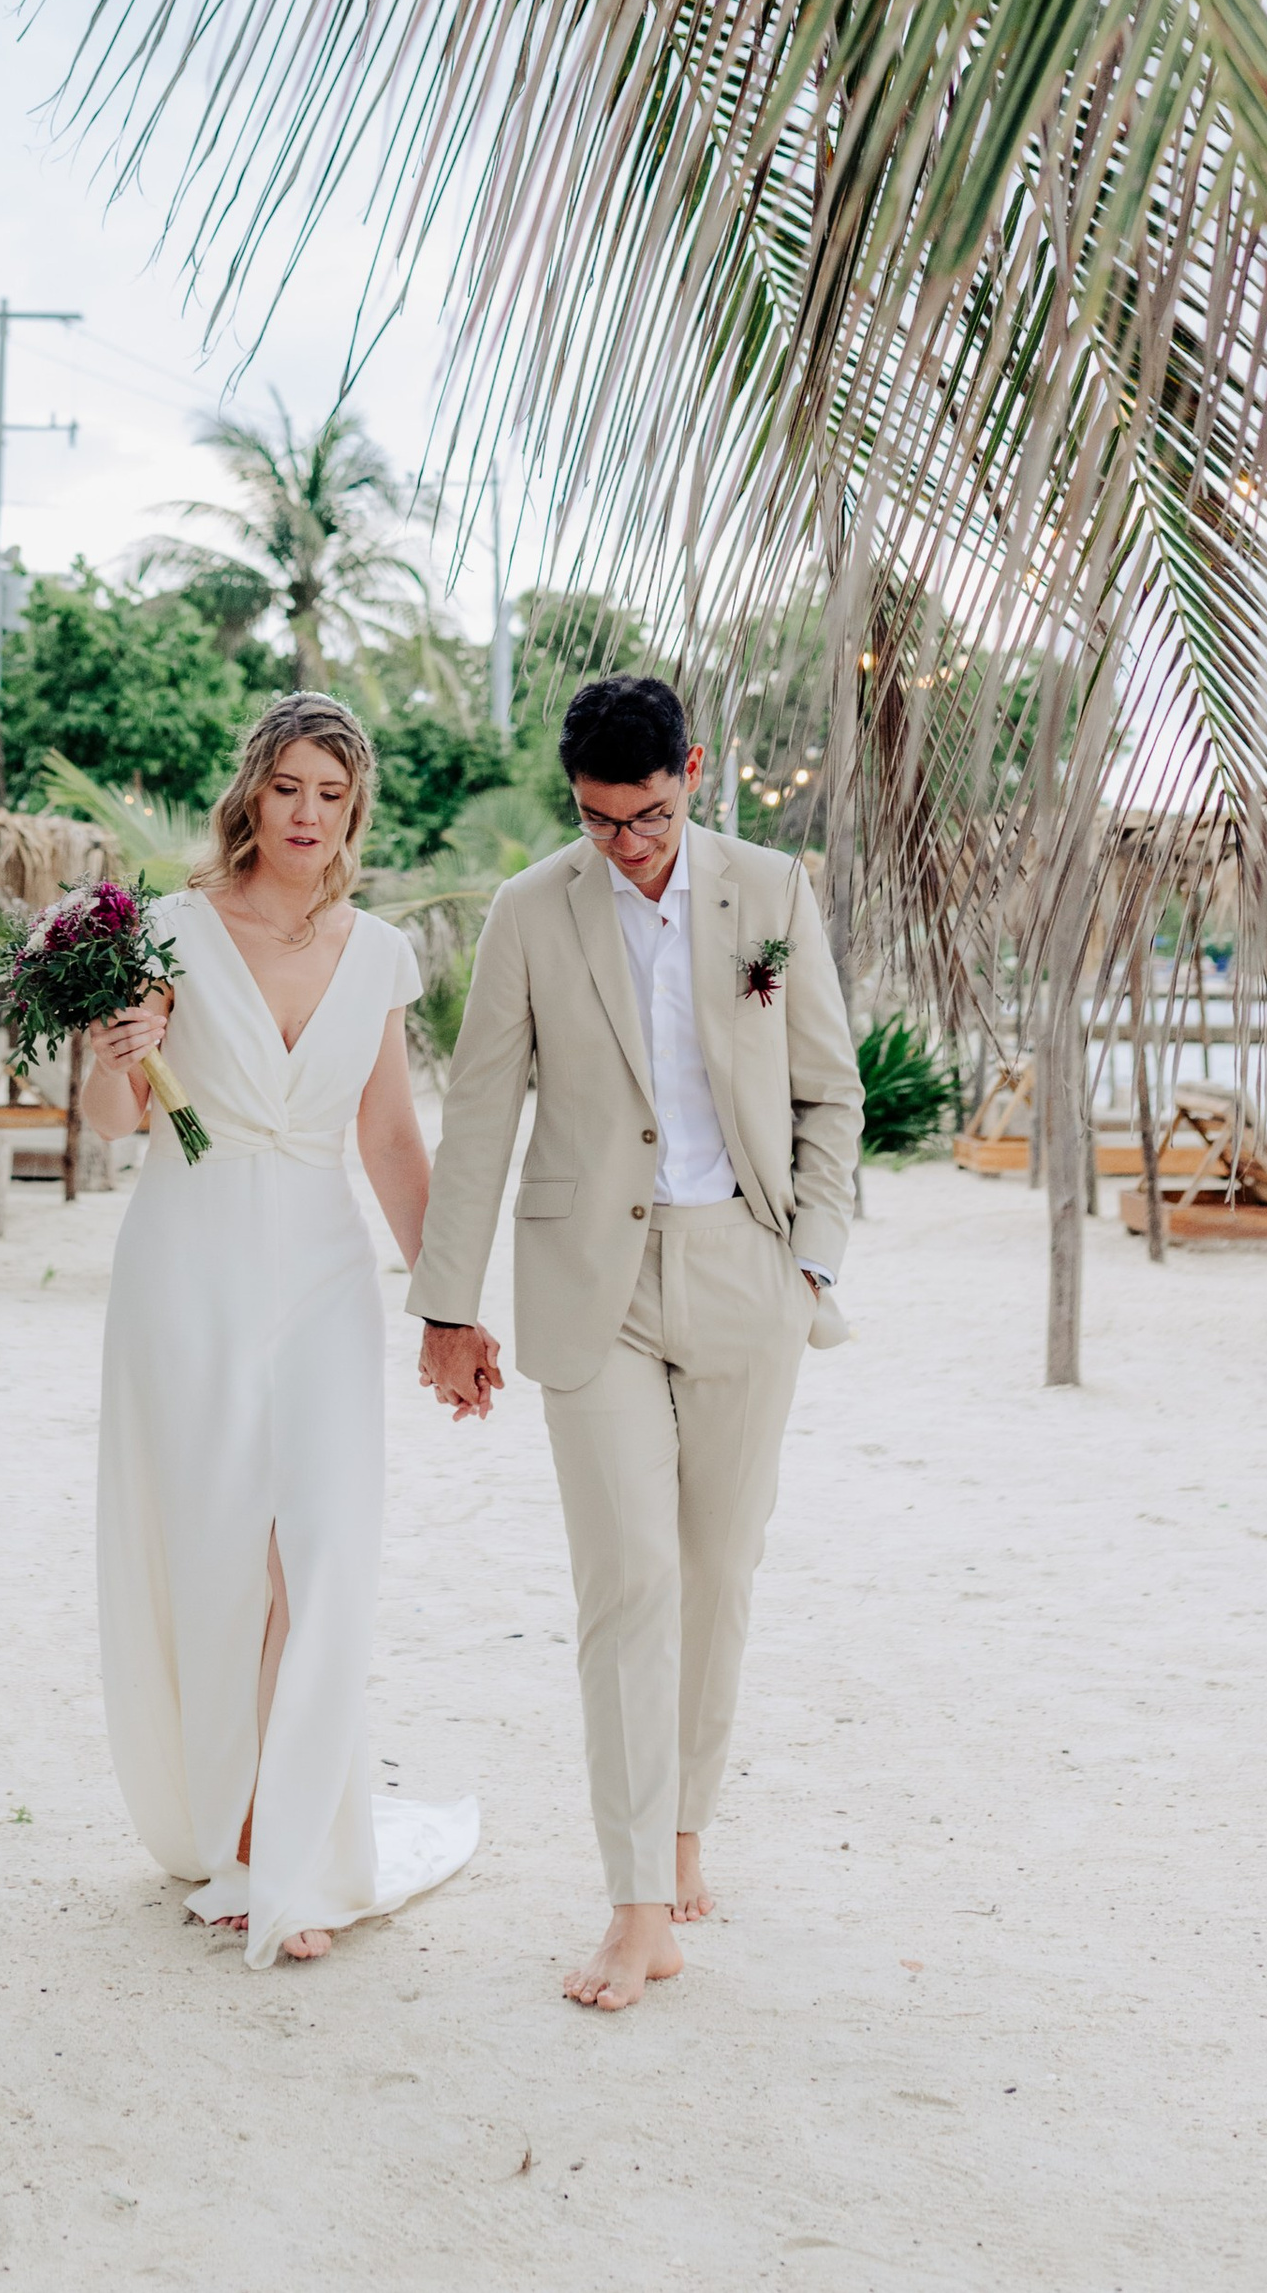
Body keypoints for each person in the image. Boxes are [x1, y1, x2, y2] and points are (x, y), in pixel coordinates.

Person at [408, 671, 860, 2011]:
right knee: (630, 1578)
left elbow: (828, 1087)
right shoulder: (528, 909)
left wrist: (811, 1255)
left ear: (695, 770)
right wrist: (446, 1303)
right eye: (601, 820)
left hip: (745, 1266)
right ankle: (634, 1904)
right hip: (587, 1285)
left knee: (719, 1571)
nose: (628, 843)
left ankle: (680, 1831)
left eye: (650, 813)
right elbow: (482, 1110)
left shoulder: (771, 889)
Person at [83, 692, 477, 1967]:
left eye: (333, 793)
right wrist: (120, 1047)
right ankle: (248, 1838)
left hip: (318, 1272)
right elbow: (106, 1121)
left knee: (319, 1555)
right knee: (217, 1553)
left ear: (355, 809)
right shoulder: (168, 933)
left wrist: (450, 1304)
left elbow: (391, 1139)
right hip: (186, 1263)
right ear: (251, 792)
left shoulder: (375, 951)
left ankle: (296, 1853)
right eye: (290, 786)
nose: (310, 813)